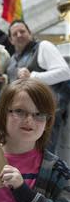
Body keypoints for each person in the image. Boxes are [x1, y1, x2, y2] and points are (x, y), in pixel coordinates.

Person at [6, 20, 70, 153]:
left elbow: (65, 72)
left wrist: (33, 77)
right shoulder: (12, 60)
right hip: (23, 117)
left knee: (44, 156)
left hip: (46, 114)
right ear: (10, 40)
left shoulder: (43, 46)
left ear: (30, 33)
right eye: (15, 33)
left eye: (22, 31)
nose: (19, 35)